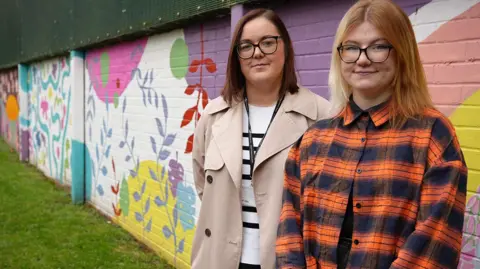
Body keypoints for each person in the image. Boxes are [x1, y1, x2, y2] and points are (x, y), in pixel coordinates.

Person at [276, 0, 468, 268]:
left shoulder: (432, 135)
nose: (363, 59)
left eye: (378, 47)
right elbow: (289, 231)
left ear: (402, 53)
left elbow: (435, 242)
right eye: (352, 48)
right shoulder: (313, 140)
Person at [191, 8, 330, 269]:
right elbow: (203, 183)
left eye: (268, 42)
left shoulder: (320, 116)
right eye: (246, 46)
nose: (257, 53)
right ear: (237, 56)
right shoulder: (214, 115)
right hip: (218, 259)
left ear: (285, 48)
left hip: (287, 261)